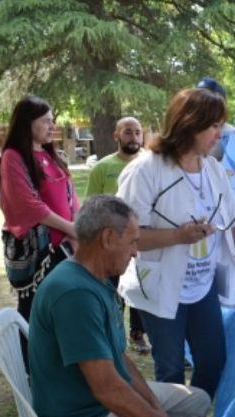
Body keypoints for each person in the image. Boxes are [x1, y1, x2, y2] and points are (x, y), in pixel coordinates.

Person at [28, 195, 216, 417]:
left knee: (197, 400)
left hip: (93, 403)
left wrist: (159, 415)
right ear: (107, 239)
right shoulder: (75, 295)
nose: (135, 251)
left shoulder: (93, 279)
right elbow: (109, 390)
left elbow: (120, 361)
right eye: (132, 241)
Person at [117, 88, 235, 399]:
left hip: (202, 287)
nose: (220, 134)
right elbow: (126, 236)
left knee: (214, 361)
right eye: (214, 126)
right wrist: (176, 237)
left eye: (221, 125)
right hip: (161, 287)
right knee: (172, 370)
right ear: (190, 124)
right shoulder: (145, 171)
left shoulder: (213, 170)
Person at [0, 95, 79, 363]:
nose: (52, 125)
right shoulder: (13, 157)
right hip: (38, 253)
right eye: (45, 121)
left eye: (52, 120)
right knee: (34, 310)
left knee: (64, 309)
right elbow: (28, 205)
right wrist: (70, 228)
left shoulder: (52, 155)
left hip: (66, 245)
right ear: (27, 123)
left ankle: (60, 369)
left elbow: (71, 196)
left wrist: (75, 229)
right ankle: (32, 372)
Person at [85, 116, 151, 355]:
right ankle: (113, 337)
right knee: (112, 290)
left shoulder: (150, 164)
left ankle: (137, 334)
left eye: (137, 132)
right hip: (111, 242)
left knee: (140, 287)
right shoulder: (103, 167)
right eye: (127, 132)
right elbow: (92, 204)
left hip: (143, 239)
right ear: (116, 136)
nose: (133, 137)